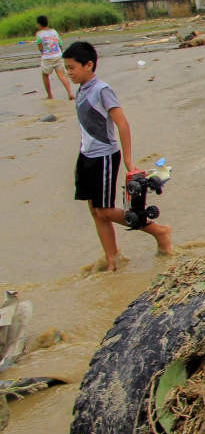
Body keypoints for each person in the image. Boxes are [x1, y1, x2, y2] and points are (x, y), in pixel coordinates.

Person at [63, 41, 172, 271]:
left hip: (104, 157)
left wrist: (129, 160)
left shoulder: (102, 90)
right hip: (87, 156)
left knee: (104, 210)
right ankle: (113, 257)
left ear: (89, 65)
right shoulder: (82, 89)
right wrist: (80, 160)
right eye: (67, 68)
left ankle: (158, 231)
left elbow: (122, 124)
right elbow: (86, 129)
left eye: (72, 68)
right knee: (95, 211)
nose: (68, 73)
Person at [34, 15, 74, 100]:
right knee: (62, 75)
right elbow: (60, 43)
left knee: (45, 75)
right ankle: (70, 93)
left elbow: (40, 48)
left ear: (39, 24)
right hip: (58, 55)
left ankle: (49, 95)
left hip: (47, 57)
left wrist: (43, 54)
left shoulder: (39, 34)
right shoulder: (54, 31)